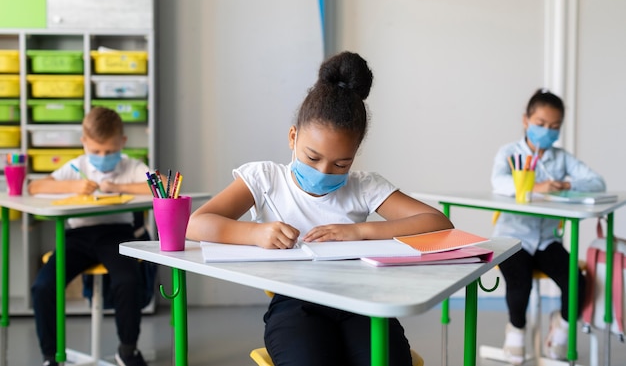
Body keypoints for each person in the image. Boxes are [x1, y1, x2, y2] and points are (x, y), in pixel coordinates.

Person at [187, 51, 454, 366]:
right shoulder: (264, 178)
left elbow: (438, 223)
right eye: (313, 158)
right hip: (295, 304)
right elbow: (195, 224)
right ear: (292, 137)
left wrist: (361, 231)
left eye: (341, 163)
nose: (325, 171)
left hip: (362, 300)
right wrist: (255, 233)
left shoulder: (364, 186)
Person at [29, 107, 152, 366]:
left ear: (122, 143)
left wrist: (117, 187)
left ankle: (127, 350)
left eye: (109, 151)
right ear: (84, 143)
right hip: (78, 237)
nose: (102, 157)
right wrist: (72, 185)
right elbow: (35, 187)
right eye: (96, 151)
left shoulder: (131, 166)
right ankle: (51, 356)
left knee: (128, 281)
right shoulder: (77, 166)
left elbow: (159, 183)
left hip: (117, 235)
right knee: (43, 287)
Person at [491, 89, 606, 364]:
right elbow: (499, 184)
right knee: (520, 283)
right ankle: (516, 328)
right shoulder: (509, 153)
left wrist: (568, 184)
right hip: (512, 237)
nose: (547, 131)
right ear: (525, 120)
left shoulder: (561, 158)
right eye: (541, 124)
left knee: (577, 282)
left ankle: (562, 327)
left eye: (554, 127)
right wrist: (537, 186)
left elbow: (597, 183)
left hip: (546, 239)